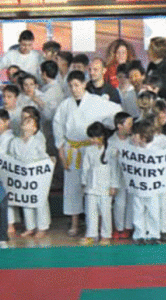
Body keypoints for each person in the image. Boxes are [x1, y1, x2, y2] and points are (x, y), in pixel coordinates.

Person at [53, 70, 122, 236]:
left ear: (84, 84)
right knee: (72, 187)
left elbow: (116, 111)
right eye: (71, 86)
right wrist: (61, 150)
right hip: (72, 150)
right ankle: (75, 223)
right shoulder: (65, 104)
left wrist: (109, 131)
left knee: (94, 186)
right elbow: (58, 126)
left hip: (92, 147)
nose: (74, 89)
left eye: (77, 85)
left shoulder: (96, 101)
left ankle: (98, 224)